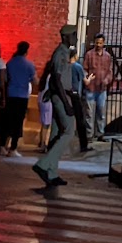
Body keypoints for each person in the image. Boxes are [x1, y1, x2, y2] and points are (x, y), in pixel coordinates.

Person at [33, 26, 77, 187]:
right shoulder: (61, 53)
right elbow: (57, 78)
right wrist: (66, 103)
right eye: (74, 35)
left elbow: (50, 74)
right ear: (66, 37)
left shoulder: (63, 53)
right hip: (62, 96)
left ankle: (51, 173)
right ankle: (44, 164)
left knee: (56, 134)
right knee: (69, 131)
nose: (76, 38)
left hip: (59, 95)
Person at [0, 40, 36, 155]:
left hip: (10, 94)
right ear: (27, 51)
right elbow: (35, 80)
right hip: (22, 96)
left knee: (6, 121)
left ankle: (2, 145)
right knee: (18, 122)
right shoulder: (29, 65)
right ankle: (13, 148)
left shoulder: (10, 63)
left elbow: (5, 79)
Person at [81, 33, 115, 147]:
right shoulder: (89, 55)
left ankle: (100, 133)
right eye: (97, 43)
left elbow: (110, 71)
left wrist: (107, 80)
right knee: (89, 113)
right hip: (91, 87)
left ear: (103, 43)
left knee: (101, 112)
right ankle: (89, 135)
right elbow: (84, 69)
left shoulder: (107, 56)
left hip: (102, 89)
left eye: (100, 43)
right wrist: (87, 78)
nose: (98, 45)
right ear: (94, 42)